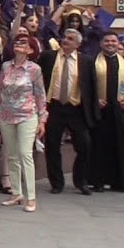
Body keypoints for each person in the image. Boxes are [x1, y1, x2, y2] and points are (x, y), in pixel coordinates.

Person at [0, 35, 47, 212]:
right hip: (6, 114)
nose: (19, 45)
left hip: (27, 115)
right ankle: (16, 192)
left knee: (25, 154)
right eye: (17, 42)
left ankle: (31, 197)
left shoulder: (34, 69)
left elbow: (40, 94)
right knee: (12, 155)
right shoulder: (6, 66)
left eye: (23, 43)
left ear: (30, 50)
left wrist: (42, 118)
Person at [38, 28, 96, 196]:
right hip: (54, 107)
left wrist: (92, 112)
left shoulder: (86, 61)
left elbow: (91, 88)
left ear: (77, 44)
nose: (66, 40)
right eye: (64, 37)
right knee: (52, 146)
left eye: (70, 39)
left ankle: (81, 181)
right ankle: (56, 182)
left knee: (84, 145)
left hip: (75, 108)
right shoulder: (48, 57)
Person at [88, 34, 124, 193]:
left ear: (118, 43)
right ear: (100, 43)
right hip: (100, 113)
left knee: (122, 146)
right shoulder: (92, 63)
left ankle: (121, 182)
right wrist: (94, 100)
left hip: (120, 113)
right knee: (99, 146)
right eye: (106, 41)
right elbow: (84, 85)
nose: (110, 44)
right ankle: (97, 181)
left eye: (113, 41)